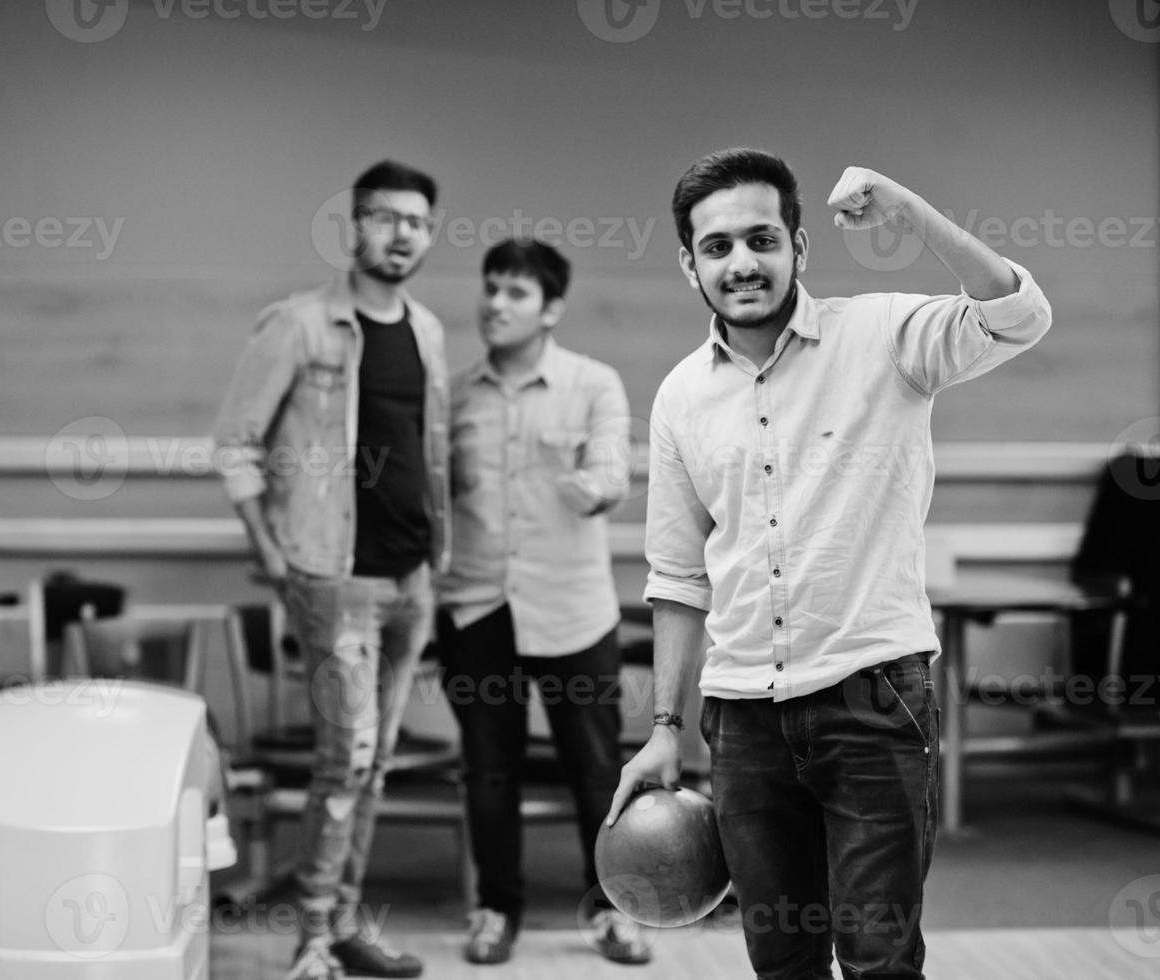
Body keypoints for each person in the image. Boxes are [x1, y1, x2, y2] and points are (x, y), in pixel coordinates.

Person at [608, 149, 1052, 980]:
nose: (741, 262)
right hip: (740, 721)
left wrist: (910, 214)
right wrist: (664, 728)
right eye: (716, 247)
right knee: (781, 961)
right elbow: (675, 577)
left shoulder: (884, 335)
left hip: (872, 700)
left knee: (880, 960)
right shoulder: (678, 396)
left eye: (761, 238)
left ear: (799, 248)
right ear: (688, 264)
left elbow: (1018, 314)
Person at [213, 160, 451, 980]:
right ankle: (313, 937)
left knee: (375, 763)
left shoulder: (425, 330)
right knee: (342, 760)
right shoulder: (300, 324)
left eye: (415, 222)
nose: (400, 235)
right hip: (330, 574)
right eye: (384, 218)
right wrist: (270, 554)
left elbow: (431, 450)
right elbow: (236, 444)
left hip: (409, 578)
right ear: (353, 228)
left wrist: (439, 549)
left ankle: (345, 924)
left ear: (429, 234)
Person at [436, 239, 648, 966]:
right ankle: (495, 909)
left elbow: (612, 470)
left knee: (593, 771)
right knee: (487, 772)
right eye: (490, 287)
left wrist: (591, 486)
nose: (494, 303)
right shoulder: (454, 394)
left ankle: (612, 910)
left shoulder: (593, 384)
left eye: (515, 292)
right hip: (476, 606)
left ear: (551, 308)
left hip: (573, 607)